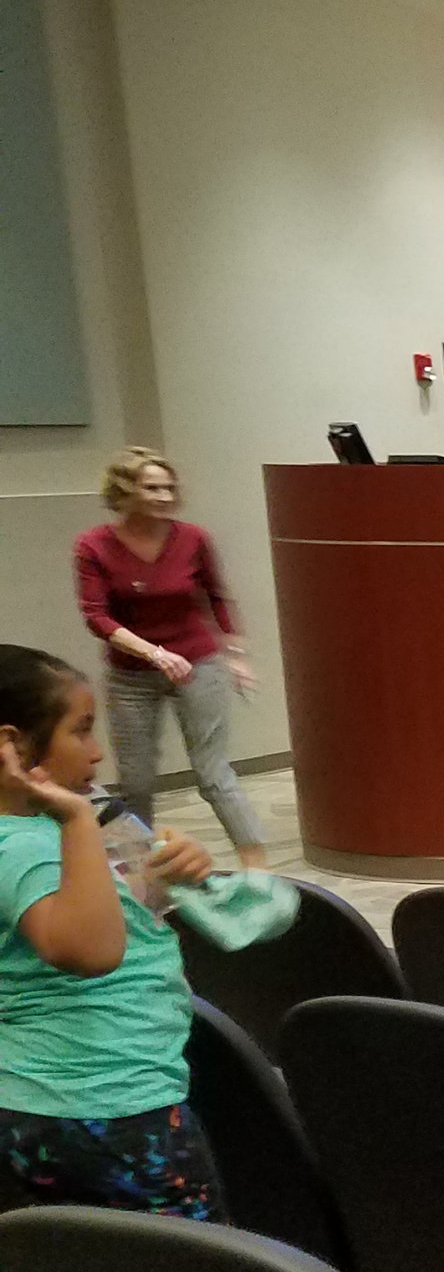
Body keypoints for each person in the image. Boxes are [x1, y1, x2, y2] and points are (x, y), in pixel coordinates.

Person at [0, 645, 223, 1219]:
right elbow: (93, 950)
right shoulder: (28, 844)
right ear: (15, 746)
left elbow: (136, 907)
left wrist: (178, 870)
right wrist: (74, 818)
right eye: (81, 732)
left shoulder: (49, 830)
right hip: (110, 1106)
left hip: (44, 1101)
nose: (98, 752)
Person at [71, 448, 266, 868]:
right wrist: (153, 653)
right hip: (132, 673)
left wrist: (236, 654)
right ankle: (142, 873)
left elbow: (216, 597)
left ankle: (257, 867)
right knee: (137, 782)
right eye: (151, 487)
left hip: (197, 662)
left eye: (168, 488)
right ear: (126, 491)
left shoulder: (193, 538)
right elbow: (96, 616)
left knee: (213, 773)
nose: (163, 496)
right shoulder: (94, 545)